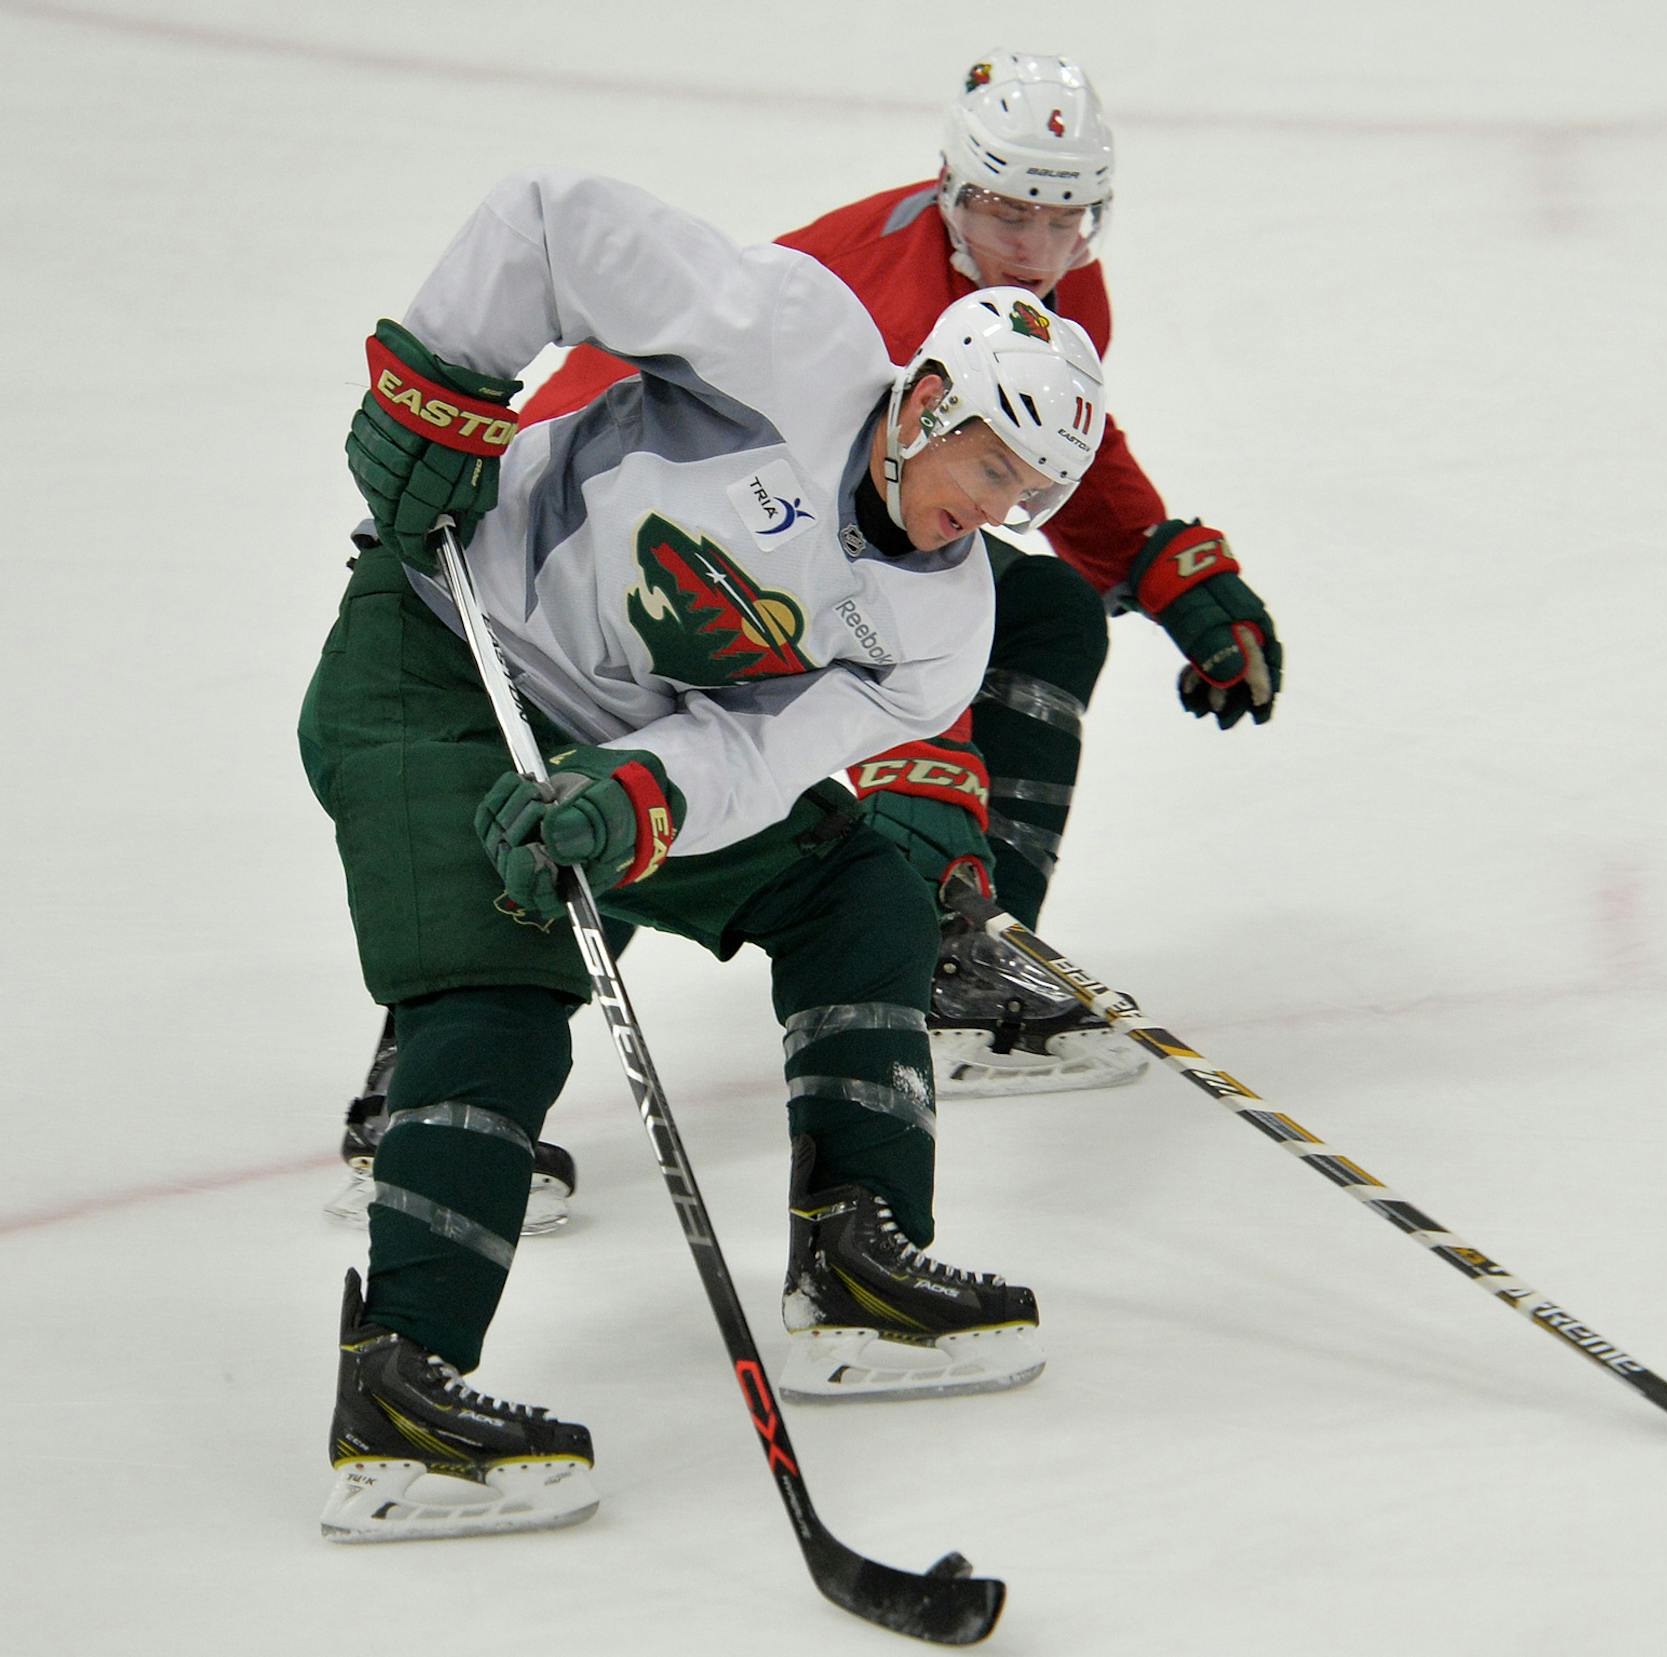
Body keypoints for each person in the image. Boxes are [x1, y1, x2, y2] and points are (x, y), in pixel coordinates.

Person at [320, 48, 1286, 1230]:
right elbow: (839, 585)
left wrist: (1162, 566)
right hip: (619, 499)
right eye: (1006, 210)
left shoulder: (1055, 302)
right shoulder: (870, 319)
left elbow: (1016, 472)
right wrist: (916, 770)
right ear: (950, 185)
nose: (1034, 246)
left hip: (755, 552)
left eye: (1063, 219)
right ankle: (425, 1061)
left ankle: (962, 945)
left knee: (1037, 611)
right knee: (618, 750)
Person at [306, 166, 1108, 1541]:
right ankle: (402, 1397)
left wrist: (633, 799)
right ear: (926, 406)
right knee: (500, 975)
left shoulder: (942, 628)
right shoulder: (792, 339)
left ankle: (858, 1255)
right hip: (439, 657)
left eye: (1027, 495)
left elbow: (761, 756)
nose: (994, 514)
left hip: (626, 735)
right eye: (988, 471)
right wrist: (442, 384)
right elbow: (552, 225)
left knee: (856, 886)